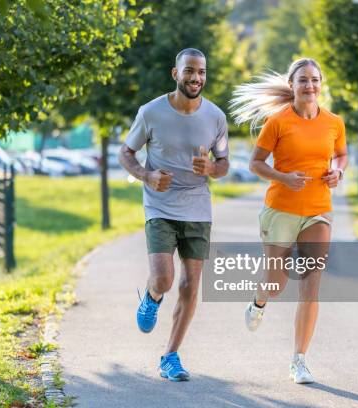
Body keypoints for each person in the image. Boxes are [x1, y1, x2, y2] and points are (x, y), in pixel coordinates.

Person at [230, 57, 347, 384]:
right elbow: (255, 163)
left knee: (312, 284)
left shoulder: (334, 122)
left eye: (315, 80)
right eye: (303, 80)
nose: (310, 86)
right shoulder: (278, 122)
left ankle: (299, 360)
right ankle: (259, 302)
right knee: (276, 283)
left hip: (318, 210)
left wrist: (338, 170)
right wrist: (283, 177)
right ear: (292, 85)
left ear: (320, 84)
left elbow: (341, 154)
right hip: (280, 208)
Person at [119, 48, 229, 382]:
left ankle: (170, 356)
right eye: (190, 71)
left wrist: (211, 167)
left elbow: (224, 164)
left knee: (190, 285)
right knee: (165, 278)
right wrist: (146, 175)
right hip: (160, 204)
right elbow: (126, 152)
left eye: (202, 72)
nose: (197, 78)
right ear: (175, 73)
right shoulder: (151, 112)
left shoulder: (215, 117)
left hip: (197, 206)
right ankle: (152, 296)